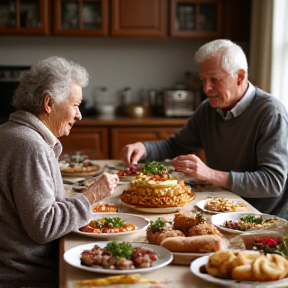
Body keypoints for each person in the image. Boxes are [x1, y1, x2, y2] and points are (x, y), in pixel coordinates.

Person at [120, 39, 288, 217]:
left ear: (239, 77)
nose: (206, 88)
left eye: (215, 79)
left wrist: (209, 174)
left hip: (264, 218)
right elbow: (175, 145)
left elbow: (272, 182)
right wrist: (144, 148)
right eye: (203, 80)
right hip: (222, 207)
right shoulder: (208, 108)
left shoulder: (271, 113)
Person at [0, 56, 119, 288]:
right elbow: (44, 226)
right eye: (75, 105)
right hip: (27, 276)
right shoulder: (29, 146)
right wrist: (91, 196)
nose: (79, 115)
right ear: (48, 103)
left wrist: (78, 195)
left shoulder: (10, 132)